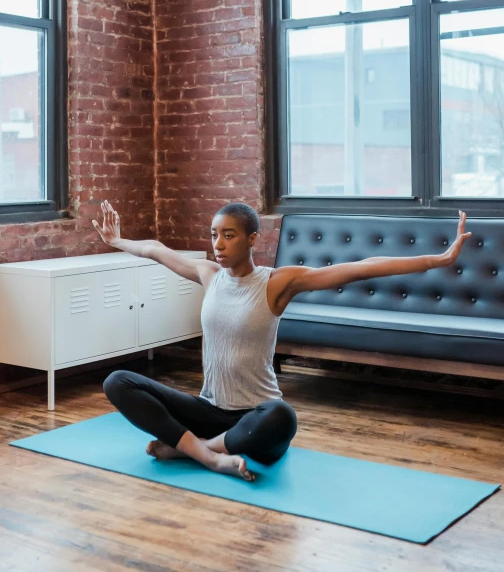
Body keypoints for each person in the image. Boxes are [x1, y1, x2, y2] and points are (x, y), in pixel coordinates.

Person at [93, 202, 471, 481]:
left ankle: (194, 449)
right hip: (208, 410)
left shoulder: (276, 283)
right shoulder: (208, 275)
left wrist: (437, 260)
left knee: (282, 415)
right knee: (118, 382)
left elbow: (359, 268)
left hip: (255, 419)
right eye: (214, 235)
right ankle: (210, 456)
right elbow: (155, 249)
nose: (218, 244)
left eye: (229, 235)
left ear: (252, 238)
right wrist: (117, 239)